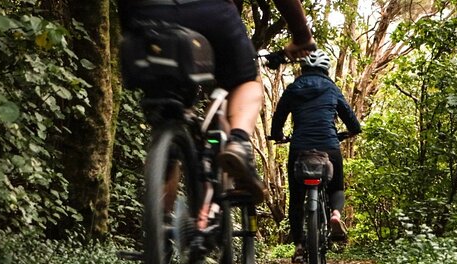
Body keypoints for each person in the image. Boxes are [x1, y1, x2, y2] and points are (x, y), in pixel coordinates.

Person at [117, 0, 315, 204]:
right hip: (210, 12)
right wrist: (302, 36)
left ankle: (160, 227)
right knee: (245, 82)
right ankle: (238, 142)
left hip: (145, 14)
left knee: (168, 115)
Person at [270, 50, 361, 263]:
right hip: (329, 147)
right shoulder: (331, 88)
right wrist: (349, 132)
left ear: (303, 68)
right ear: (325, 69)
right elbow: (353, 122)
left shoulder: (293, 89)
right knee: (337, 186)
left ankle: (300, 245)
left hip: (300, 148)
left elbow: (278, 118)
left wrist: (278, 136)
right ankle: (336, 215)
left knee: (296, 198)